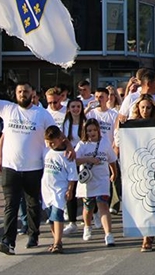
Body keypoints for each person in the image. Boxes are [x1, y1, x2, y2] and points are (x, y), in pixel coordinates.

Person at [0, 66, 64, 255]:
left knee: (33, 204)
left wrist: (67, 149)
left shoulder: (41, 114)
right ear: (16, 94)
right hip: (10, 167)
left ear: (32, 94)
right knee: (11, 205)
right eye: (20, 91)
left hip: (34, 167)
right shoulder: (7, 109)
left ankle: (33, 234)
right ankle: (8, 242)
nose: (23, 94)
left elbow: (56, 135)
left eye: (26, 91)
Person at [76, 118, 117, 247]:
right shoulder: (82, 145)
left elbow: (112, 159)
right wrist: (88, 159)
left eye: (94, 130)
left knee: (103, 205)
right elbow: (74, 160)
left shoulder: (105, 142)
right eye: (89, 130)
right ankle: (87, 226)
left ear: (98, 130)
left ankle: (108, 234)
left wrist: (114, 173)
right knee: (88, 207)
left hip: (102, 179)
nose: (92, 133)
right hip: (88, 181)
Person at [128, 95, 155, 252]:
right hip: (139, 168)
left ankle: (150, 234)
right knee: (144, 202)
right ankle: (146, 235)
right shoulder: (131, 126)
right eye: (142, 107)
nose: (145, 111)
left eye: (148, 108)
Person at [42, 125, 77, 254]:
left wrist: (70, 189)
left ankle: (57, 243)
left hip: (59, 189)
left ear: (60, 139)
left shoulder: (67, 155)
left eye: (53, 142)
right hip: (46, 189)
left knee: (57, 215)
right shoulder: (47, 151)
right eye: (48, 142)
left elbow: (72, 176)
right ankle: (56, 239)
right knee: (51, 217)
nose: (50, 144)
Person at [60, 98, 86, 235]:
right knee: (71, 190)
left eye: (78, 106)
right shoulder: (66, 123)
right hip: (71, 160)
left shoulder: (85, 122)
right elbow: (64, 140)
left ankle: (93, 214)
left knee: (86, 190)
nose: (76, 109)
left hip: (83, 159)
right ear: (69, 109)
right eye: (73, 107)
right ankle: (72, 221)